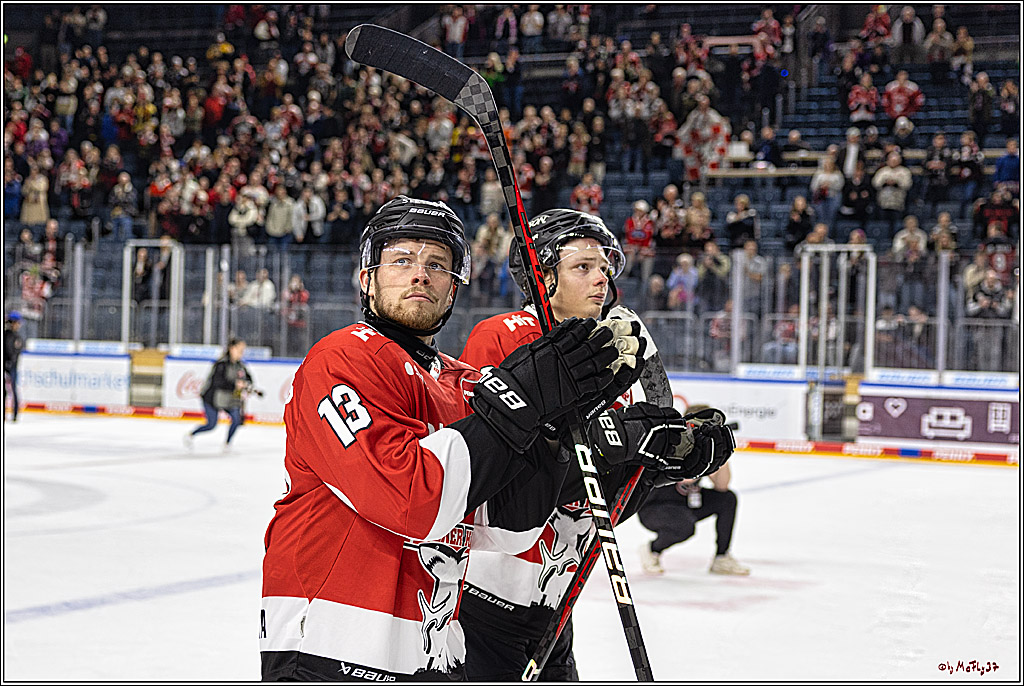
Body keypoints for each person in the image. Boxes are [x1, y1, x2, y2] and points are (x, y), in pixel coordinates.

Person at [259, 196, 677, 681]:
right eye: (402, 260)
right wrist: (520, 400)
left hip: (434, 653)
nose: (421, 275)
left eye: (438, 264)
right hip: (333, 646)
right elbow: (409, 498)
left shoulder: (463, 383)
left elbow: (508, 524)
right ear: (367, 277)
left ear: (454, 285)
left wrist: (576, 436)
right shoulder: (342, 358)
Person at [456, 208, 735, 681]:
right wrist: (619, 443)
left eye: (604, 267)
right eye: (582, 267)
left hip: (554, 605)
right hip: (484, 603)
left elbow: (595, 491)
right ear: (543, 276)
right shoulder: (504, 334)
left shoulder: (609, 357)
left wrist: (669, 459)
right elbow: (499, 466)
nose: (601, 278)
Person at [638, 403, 750, 577]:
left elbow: (722, 486)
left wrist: (721, 453)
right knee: (685, 526)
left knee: (727, 499)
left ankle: (721, 557)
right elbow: (685, 477)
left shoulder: (704, 445)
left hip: (687, 502)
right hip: (656, 507)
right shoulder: (672, 440)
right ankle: (652, 549)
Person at [184, 338, 257, 452]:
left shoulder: (240, 366)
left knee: (236, 419)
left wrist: (246, 384)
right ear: (232, 349)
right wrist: (235, 384)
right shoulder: (221, 364)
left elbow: (249, 379)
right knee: (211, 425)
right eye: (240, 349)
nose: (242, 353)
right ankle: (191, 434)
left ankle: (227, 443)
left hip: (230, 399)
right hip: (212, 399)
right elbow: (218, 382)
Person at [4, 312, 25, 422]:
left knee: (13, 389)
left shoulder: (18, 337)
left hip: (12, 366)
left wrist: (10, 362)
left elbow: (16, 352)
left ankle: (15, 413)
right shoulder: (6, 334)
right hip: (5, 365)